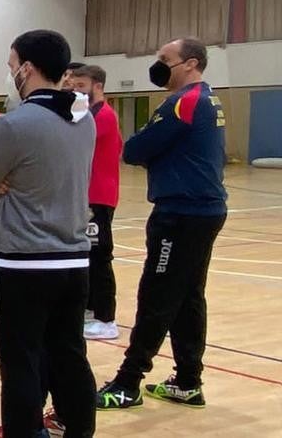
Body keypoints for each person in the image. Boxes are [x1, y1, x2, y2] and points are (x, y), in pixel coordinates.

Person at [0, 29, 96, 438]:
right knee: (70, 356)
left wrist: (6, 180)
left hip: (21, 263)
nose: (9, 76)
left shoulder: (13, 124)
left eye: (10, 67)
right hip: (74, 260)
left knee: (21, 365)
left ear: (26, 68)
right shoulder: (85, 118)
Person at [96, 38, 227, 411]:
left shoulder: (184, 102)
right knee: (187, 298)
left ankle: (127, 382)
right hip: (201, 211)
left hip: (181, 215)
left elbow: (135, 149)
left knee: (157, 295)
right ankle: (188, 381)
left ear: (189, 64)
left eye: (163, 60)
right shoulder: (207, 98)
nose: (157, 66)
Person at [67, 65, 123, 340]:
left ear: (97, 86)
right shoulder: (90, 113)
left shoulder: (103, 117)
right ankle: (90, 310)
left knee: (99, 256)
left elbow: (73, 138)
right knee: (86, 255)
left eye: (81, 85)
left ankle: (106, 318)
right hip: (86, 194)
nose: (75, 90)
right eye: (73, 85)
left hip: (98, 197)